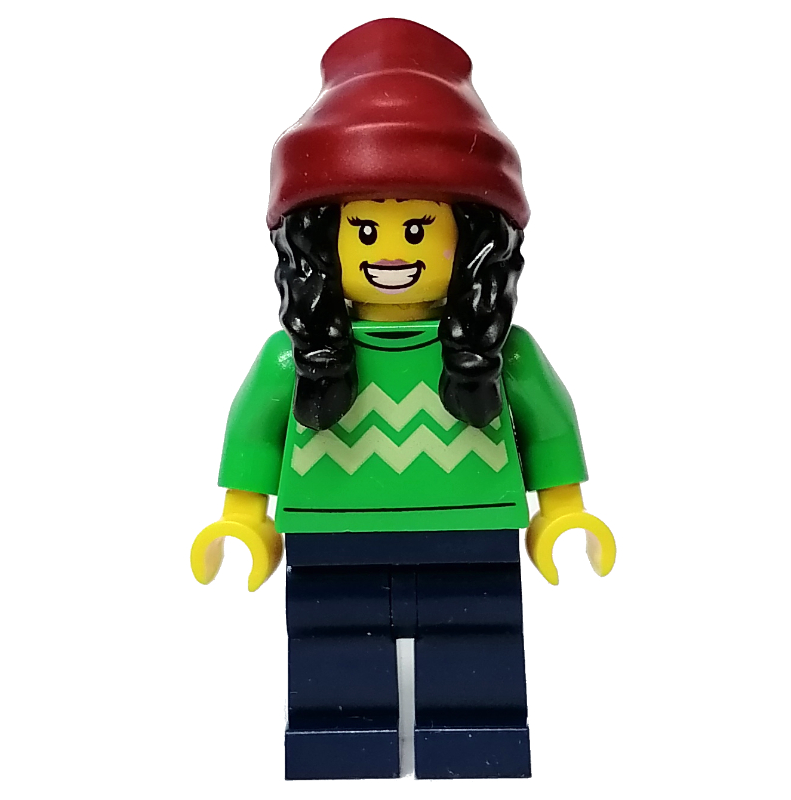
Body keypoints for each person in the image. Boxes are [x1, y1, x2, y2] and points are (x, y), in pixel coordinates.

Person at [191, 18, 615, 781]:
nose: (391, 250)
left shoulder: (501, 357)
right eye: (365, 229)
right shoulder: (294, 360)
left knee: (479, 642)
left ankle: (476, 738)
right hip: (331, 534)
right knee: (331, 645)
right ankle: (337, 741)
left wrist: (562, 511)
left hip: (472, 531)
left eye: (418, 228)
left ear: (472, 241)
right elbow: (253, 429)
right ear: (321, 242)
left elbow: (549, 423)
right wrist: (243, 519)